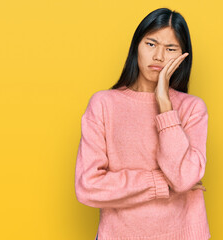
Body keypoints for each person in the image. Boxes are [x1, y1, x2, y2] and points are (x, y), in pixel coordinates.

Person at [75, 7, 211, 240]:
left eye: (170, 49)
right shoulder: (104, 104)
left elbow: (183, 178)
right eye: (151, 44)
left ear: (182, 57)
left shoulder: (192, 108)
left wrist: (164, 105)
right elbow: (88, 187)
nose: (158, 56)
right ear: (136, 46)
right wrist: (161, 183)